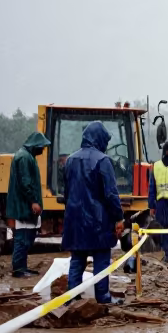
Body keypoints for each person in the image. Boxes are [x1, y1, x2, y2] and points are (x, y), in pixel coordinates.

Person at [62, 122, 124, 303]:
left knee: (77, 260)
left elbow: (67, 192)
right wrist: (118, 217)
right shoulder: (103, 160)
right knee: (101, 260)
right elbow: (111, 193)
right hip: (98, 219)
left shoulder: (71, 160)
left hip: (75, 219)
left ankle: (71, 297)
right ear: (100, 139)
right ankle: (103, 296)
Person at [6, 131, 50, 278]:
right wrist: (33, 201)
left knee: (26, 238)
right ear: (35, 146)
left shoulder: (26, 156)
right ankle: (18, 269)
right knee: (23, 238)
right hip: (24, 206)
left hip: (24, 204)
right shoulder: (24, 158)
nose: (43, 150)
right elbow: (26, 183)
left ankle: (22, 267)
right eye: (42, 147)